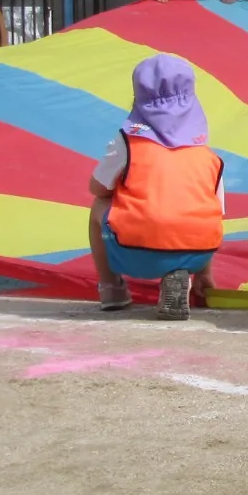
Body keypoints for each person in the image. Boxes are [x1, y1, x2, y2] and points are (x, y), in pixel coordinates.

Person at [90, 54, 224, 320]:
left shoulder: (127, 142)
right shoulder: (209, 157)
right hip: (195, 254)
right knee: (201, 210)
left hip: (135, 253)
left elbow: (97, 188)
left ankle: (111, 289)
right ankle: (182, 277)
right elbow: (215, 212)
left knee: (99, 207)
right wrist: (205, 273)